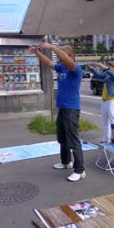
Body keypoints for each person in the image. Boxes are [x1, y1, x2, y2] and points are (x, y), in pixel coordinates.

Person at [30, 42, 86, 181]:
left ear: (70, 56)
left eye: (62, 54)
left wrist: (53, 48)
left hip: (71, 109)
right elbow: (49, 63)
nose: (59, 58)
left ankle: (80, 170)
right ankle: (66, 161)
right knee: (62, 138)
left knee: (73, 140)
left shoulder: (75, 69)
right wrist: (37, 53)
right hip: (62, 108)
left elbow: (68, 62)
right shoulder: (62, 68)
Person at [87, 61, 114, 143]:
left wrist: (104, 67)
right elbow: (98, 75)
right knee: (105, 121)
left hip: (112, 101)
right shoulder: (106, 76)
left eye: (111, 67)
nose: (109, 68)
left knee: (113, 120)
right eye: (108, 66)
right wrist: (91, 68)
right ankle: (106, 139)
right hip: (104, 101)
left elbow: (112, 74)